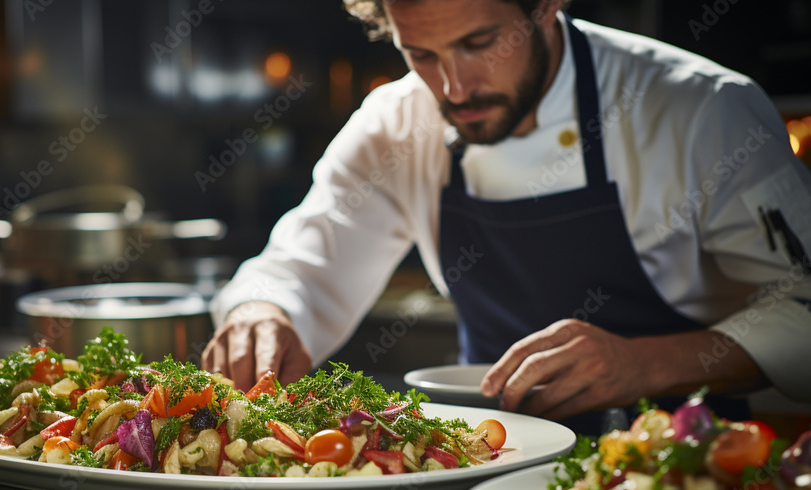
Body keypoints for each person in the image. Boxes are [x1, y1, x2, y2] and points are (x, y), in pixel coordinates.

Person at [201, 0, 811, 425]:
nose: (454, 88)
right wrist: (264, 311)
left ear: (546, 6)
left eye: (479, 44)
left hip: (678, 481)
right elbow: (300, 267)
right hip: (483, 471)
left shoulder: (698, 109)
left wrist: (645, 364)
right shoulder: (397, 122)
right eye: (422, 54)